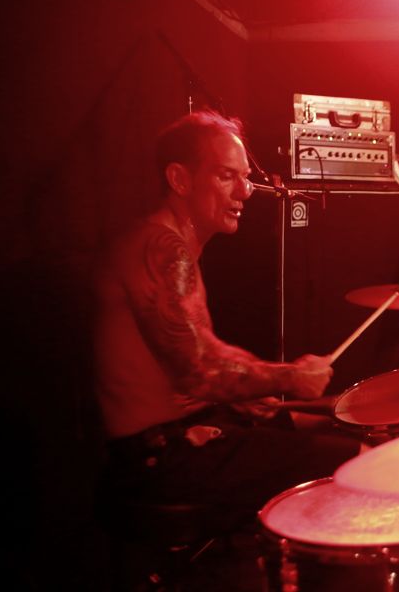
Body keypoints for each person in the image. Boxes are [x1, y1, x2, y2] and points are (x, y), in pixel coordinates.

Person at [95, 111, 359, 511]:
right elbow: (199, 371)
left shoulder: (171, 245)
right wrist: (289, 377)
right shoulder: (161, 250)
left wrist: (255, 391)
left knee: (324, 422)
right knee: (354, 459)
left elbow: (205, 350)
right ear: (180, 179)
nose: (246, 191)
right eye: (225, 176)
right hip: (161, 457)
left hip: (189, 430)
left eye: (245, 177)